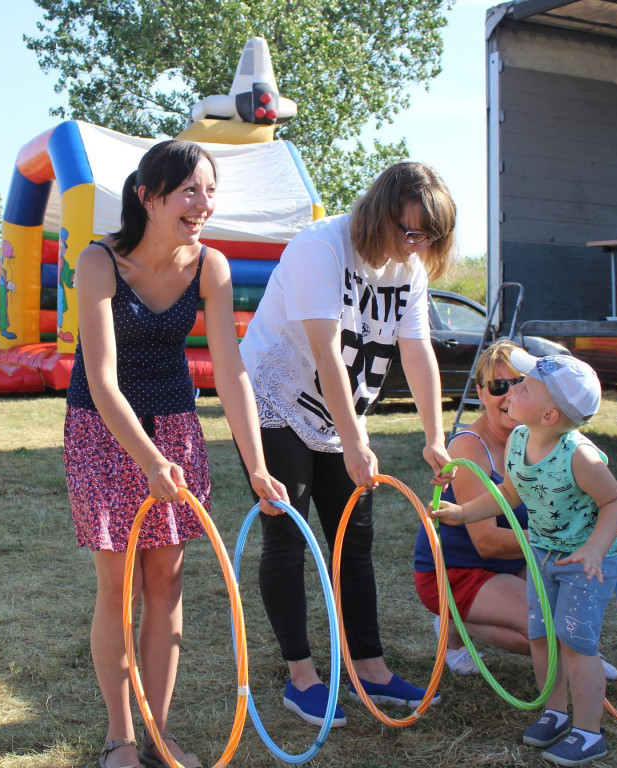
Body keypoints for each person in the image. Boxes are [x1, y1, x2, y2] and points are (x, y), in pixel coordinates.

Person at [63, 140, 286, 768]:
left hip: (177, 429)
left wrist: (258, 466)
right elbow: (102, 380)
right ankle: (120, 738)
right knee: (120, 585)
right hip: (104, 431)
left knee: (167, 581)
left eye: (209, 191)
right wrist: (147, 459)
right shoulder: (100, 261)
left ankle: (158, 733)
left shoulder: (209, 266)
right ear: (149, 196)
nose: (203, 203)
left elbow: (232, 372)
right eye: (190, 190)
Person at [238, 161, 457, 728]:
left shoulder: (409, 265)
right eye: (408, 231)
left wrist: (434, 435)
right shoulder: (321, 247)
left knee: (353, 540)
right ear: (379, 212)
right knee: (289, 536)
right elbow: (325, 352)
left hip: (339, 414)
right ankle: (302, 677)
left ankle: (371, 669)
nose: (416, 246)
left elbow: (417, 350)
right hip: (273, 401)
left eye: (428, 237)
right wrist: (357, 441)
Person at [432, 350, 617, 767]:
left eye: (523, 386)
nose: (513, 390)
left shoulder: (580, 455)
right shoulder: (522, 439)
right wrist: (464, 513)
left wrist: (594, 548)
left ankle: (589, 733)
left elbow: (614, 501)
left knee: (575, 643)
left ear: (550, 416)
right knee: (542, 637)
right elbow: (508, 493)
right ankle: (555, 713)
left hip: (583, 559)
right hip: (543, 551)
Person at [412, 341, 617, 679]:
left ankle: (483, 619)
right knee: (547, 629)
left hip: (519, 561)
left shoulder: (541, 440)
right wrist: (565, 540)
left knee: (567, 612)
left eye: (521, 383)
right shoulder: (468, 446)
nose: (510, 393)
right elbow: (487, 542)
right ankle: (455, 621)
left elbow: (579, 500)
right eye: (497, 385)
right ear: (480, 392)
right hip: (457, 571)